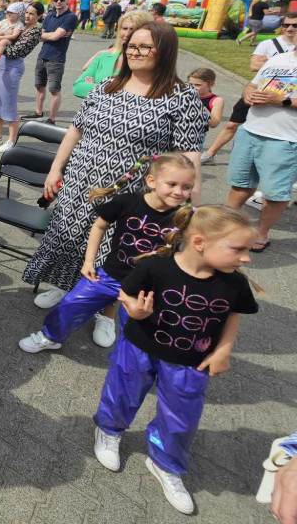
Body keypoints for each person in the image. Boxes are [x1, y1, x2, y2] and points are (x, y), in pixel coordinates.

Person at [22, 22, 208, 308]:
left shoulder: (182, 97)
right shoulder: (107, 86)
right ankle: (64, 286)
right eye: (131, 45)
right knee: (69, 237)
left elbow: (189, 155)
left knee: (115, 251)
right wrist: (56, 168)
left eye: (144, 47)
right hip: (80, 181)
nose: (134, 52)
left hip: (131, 192)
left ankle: (105, 309)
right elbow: (75, 129)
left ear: (165, 51)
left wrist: (192, 207)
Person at [91, 205, 260, 515]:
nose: (247, 258)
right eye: (239, 249)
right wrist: (134, 311)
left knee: (182, 415)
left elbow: (232, 315)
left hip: (191, 361)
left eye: (248, 250)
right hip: (139, 347)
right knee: (122, 392)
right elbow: (126, 293)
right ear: (199, 242)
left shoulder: (234, 283)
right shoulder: (156, 267)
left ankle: (165, 462)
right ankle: (109, 430)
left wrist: (223, 350)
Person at [19, 153, 195, 355]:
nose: (178, 192)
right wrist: (89, 261)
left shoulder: (184, 218)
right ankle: (51, 337)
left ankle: (136, 361)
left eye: (186, 187)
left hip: (148, 288)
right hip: (110, 275)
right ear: (151, 181)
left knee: (140, 331)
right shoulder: (128, 202)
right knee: (71, 304)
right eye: (172, 184)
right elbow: (99, 226)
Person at [224, 31, 297, 252]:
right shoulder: (279, 58)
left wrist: (282, 100)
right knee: (241, 184)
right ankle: (226, 224)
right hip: (251, 130)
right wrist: (247, 95)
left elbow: (282, 98)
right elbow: (252, 84)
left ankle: (261, 233)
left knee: (275, 193)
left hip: (285, 139)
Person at [201, 10, 297, 164]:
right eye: (286, 25)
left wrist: (268, 63)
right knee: (232, 124)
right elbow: (253, 66)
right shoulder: (268, 44)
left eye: (295, 25)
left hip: (286, 98)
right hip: (258, 92)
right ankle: (210, 153)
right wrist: (273, 63)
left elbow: (261, 65)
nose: (290, 28)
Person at [0, 2, 43, 150]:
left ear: (39, 16)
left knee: (9, 102)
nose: (28, 16)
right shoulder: (19, 25)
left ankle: (12, 139)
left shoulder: (35, 32)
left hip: (12, 65)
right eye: (27, 12)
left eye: (32, 14)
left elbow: (14, 52)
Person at [72, 10, 154, 98]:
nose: (127, 34)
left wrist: (97, 88)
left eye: (133, 29)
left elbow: (139, 94)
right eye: (124, 28)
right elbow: (77, 87)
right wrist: (114, 90)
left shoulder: (146, 61)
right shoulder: (104, 57)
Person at [29, 0, 79, 124]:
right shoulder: (50, 16)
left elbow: (54, 36)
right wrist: (51, 35)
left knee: (54, 90)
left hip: (56, 58)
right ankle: (38, 112)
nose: (59, 2)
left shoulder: (71, 17)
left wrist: (50, 35)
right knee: (39, 86)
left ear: (68, 0)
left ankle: (51, 119)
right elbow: (40, 36)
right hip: (42, 55)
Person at [0, 1, 26, 75]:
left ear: (18, 15)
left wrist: (0, 37)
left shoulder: (19, 24)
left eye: (12, 12)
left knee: (3, 41)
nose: (9, 14)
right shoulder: (4, 21)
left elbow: (14, 36)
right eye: (7, 12)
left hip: (8, 42)